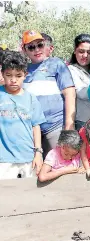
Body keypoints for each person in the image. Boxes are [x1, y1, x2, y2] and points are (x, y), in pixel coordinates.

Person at [22, 30, 76, 156]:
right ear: (24, 50)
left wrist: (69, 126)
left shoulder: (56, 64)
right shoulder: (22, 69)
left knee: (62, 163)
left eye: (40, 45)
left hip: (55, 127)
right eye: (31, 47)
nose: (37, 50)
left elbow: (70, 93)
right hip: (29, 130)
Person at [0, 51, 45, 180]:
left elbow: (36, 126)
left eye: (18, 75)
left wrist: (38, 153)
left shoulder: (31, 98)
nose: (13, 80)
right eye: (9, 75)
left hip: (28, 157)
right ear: (3, 74)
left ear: (25, 75)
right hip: (4, 159)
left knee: (29, 194)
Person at [68, 34, 90, 131]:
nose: (85, 56)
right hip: (84, 122)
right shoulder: (71, 70)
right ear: (75, 51)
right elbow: (82, 94)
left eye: (89, 52)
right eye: (81, 51)